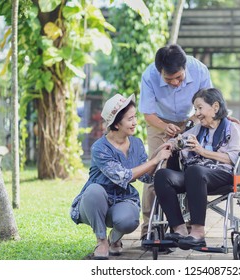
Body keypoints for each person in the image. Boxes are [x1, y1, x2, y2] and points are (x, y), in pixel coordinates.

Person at [70, 94, 172, 260]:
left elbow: (146, 177)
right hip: (94, 203)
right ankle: (101, 241)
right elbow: (123, 176)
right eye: (130, 119)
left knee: (129, 220)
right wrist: (154, 160)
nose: (135, 122)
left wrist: (159, 152)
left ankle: (114, 239)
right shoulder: (100, 148)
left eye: (135, 117)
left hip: (123, 200)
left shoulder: (137, 143)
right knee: (95, 190)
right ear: (116, 124)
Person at [153, 88, 240, 250]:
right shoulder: (197, 130)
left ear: (215, 107)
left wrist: (202, 152)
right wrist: (173, 143)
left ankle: (198, 232)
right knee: (162, 175)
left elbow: (236, 158)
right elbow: (181, 142)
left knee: (195, 171)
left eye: (200, 108)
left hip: (222, 175)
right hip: (194, 176)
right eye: (195, 109)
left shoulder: (233, 128)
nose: (197, 113)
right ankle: (180, 229)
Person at [138, 44, 213, 238]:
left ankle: (189, 223)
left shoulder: (199, 70)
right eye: (169, 79)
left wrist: (193, 122)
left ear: (185, 67)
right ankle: (150, 227)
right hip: (158, 121)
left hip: (192, 119)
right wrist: (164, 127)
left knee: (192, 166)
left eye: (179, 78)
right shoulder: (149, 76)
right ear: (159, 72)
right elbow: (148, 113)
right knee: (155, 170)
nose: (175, 83)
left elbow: (210, 103)